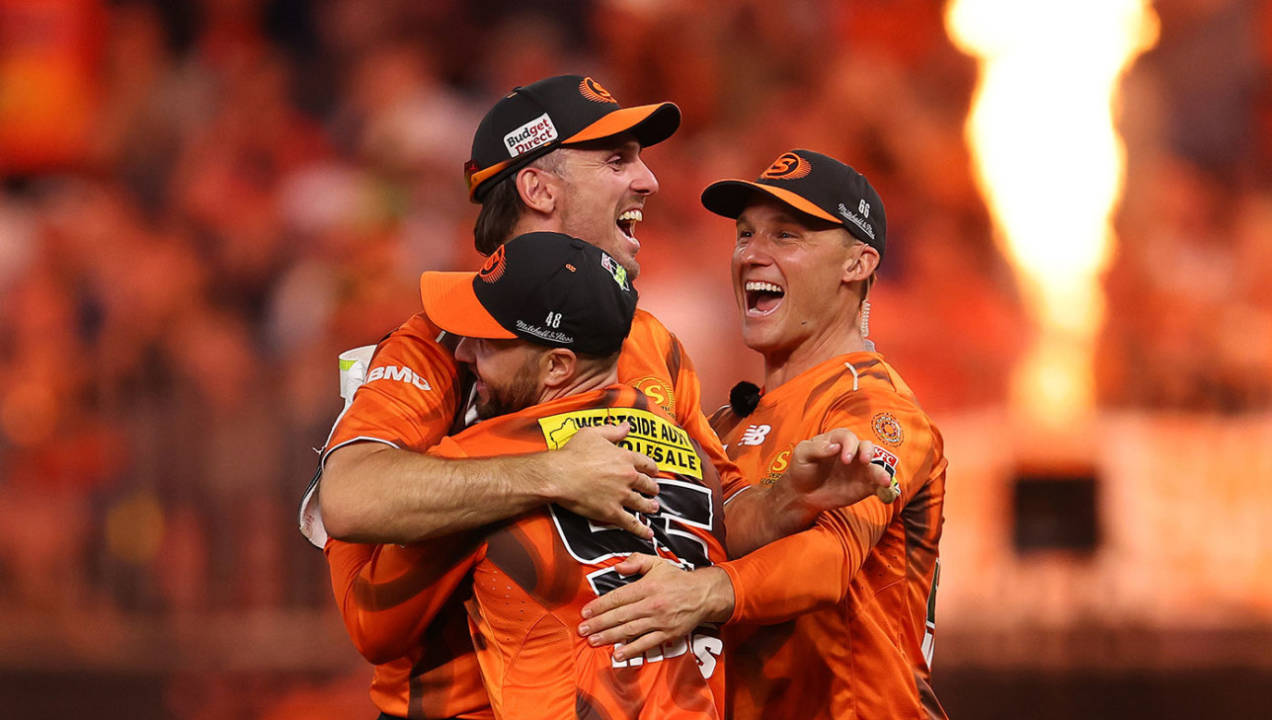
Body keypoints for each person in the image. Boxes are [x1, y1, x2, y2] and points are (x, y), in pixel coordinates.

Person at [310, 79, 889, 719]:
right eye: (616, 161)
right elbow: (350, 502)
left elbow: (706, 523)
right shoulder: (442, 341)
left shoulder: (651, 341)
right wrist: (551, 474)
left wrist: (786, 500)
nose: (648, 181)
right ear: (539, 189)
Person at [576, 150, 948, 719]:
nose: (752, 254)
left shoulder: (873, 405)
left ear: (858, 263)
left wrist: (699, 594)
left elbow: (829, 558)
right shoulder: (726, 422)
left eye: (787, 236)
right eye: (744, 234)